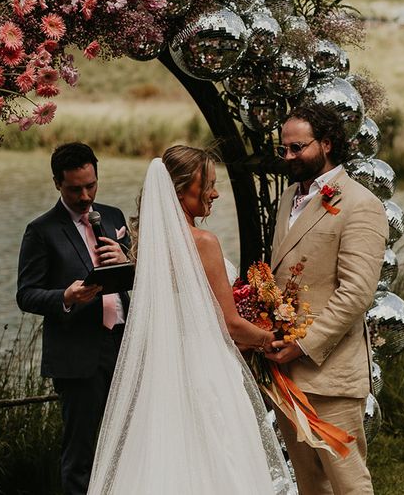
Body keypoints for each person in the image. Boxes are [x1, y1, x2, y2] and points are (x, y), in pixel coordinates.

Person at [87, 145, 295, 495]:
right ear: (183, 189)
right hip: (205, 366)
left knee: (167, 455)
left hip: (165, 368)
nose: (215, 193)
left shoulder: (149, 244)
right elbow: (228, 324)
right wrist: (272, 337)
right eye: (209, 184)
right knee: (220, 456)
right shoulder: (203, 242)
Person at [266, 105, 388, 495]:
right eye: (283, 149)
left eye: (297, 148)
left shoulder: (361, 204)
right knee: (309, 482)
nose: (287, 157)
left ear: (328, 144)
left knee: (348, 483)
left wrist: (303, 345)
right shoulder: (288, 197)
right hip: (285, 371)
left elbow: (356, 294)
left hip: (330, 371)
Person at [16, 142, 130, 495]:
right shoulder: (42, 230)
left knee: (128, 445)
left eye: (90, 185)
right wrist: (65, 297)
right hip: (79, 356)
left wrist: (126, 258)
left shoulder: (112, 217)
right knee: (81, 454)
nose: (85, 196)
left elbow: (135, 279)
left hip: (125, 345)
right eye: (74, 188)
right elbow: (26, 294)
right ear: (56, 183)